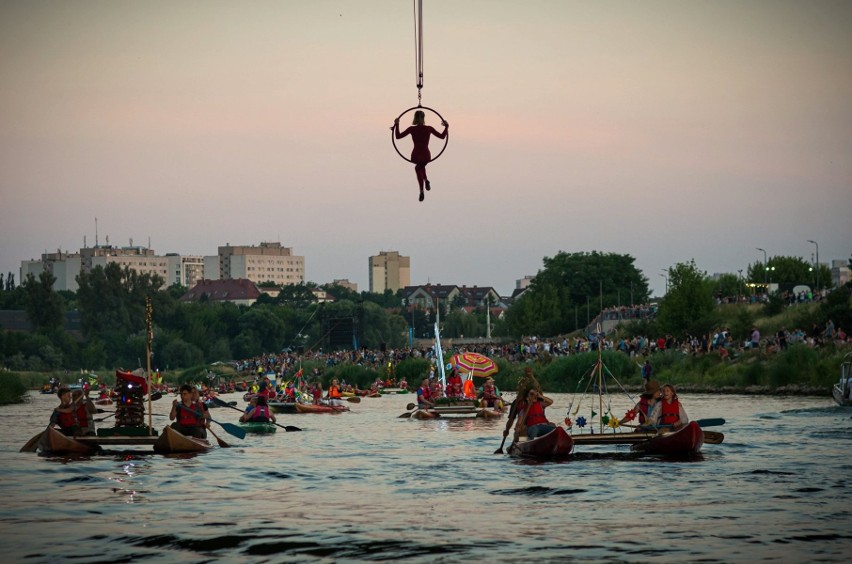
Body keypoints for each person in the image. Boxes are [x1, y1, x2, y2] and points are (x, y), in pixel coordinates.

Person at [393, 110, 448, 202]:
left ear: (414, 118)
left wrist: (397, 124)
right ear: (424, 118)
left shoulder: (412, 129)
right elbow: (442, 136)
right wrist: (446, 127)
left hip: (416, 155)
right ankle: (425, 181)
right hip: (426, 155)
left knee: (418, 167)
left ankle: (422, 189)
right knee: (420, 167)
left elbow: (398, 136)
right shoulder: (429, 128)